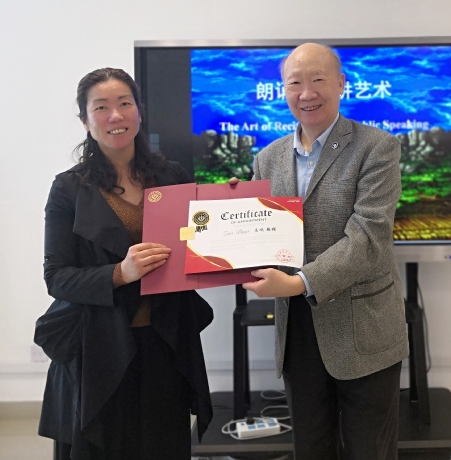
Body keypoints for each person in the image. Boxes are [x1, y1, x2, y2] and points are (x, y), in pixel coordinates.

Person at [35, 68, 213, 460]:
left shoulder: (171, 175)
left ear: (139, 112)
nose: (115, 115)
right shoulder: (68, 189)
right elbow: (56, 277)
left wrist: (228, 208)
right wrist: (120, 273)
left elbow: (198, 243)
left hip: (165, 345)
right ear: (85, 121)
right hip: (98, 350)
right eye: (101, 107)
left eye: (124, 103)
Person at [243, 43, 409, 460]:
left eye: (317, 80)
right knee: (311, 448)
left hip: (362, 326)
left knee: (370, 450)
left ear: (341, 84)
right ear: (282, 89)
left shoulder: (377, 147)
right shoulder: (267, 159)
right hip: (297, 329)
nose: (306, 93)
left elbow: (368, 238)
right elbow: (261, 234)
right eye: (294, 83)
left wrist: (300, 281)